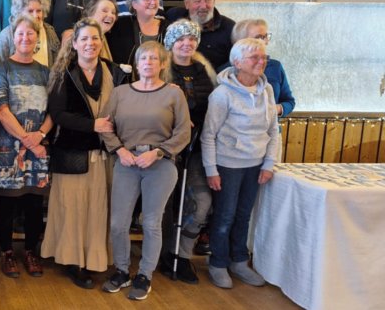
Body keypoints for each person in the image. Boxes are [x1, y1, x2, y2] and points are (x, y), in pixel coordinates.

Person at [101, 41, 192, 301]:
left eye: (154, 58)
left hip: (160, 164)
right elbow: (106, 127)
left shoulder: (174, 94)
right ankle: (122, 270)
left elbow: (183, 132)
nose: (148, 62)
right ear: (137, 64)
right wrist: (119, 150)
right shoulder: (120, 93)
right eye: (144, 58)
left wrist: (159, 152)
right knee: (118, 223)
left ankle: (144, 275)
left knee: (151, 222)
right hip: (127, 161)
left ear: (162, 64)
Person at [41, 19, 115, 289]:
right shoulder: (63, 74)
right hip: (72, 153)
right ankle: (74, 261)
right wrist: (92, 125)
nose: (90, 43)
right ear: (74, 43)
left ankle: (95, 258)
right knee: (72, 210)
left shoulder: (115, 72)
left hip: (105, 154)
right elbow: (59, 114)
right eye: (84, 39)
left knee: (98, 210)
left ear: (101, 42)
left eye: (95, 38)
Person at [202, 38, 280, 289]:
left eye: (264, 57)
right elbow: (208, 135)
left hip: (255, 164)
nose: (261, 61)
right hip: (228, 165)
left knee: (244, 216)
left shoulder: (267, 90)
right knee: (224, 216)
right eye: (254, 57)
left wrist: (269, 163)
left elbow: (274, 130)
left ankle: (239, 261)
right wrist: (211, 170)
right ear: (237, 62)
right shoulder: (222, 94)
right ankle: (218, 263)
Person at [0, 15, 53, 279]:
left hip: (38, 148)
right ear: (12, 38)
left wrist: (40, 134)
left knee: (33, 203)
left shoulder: (46, 72)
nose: (25, 38)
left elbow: (53, 111)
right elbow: (1, 110)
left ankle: (30, 251)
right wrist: (27, 139)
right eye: (20, 34)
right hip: (8, 147)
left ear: (37, 38)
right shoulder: (2, 69)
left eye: (30, 33)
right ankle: (7, 252)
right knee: (5, 202)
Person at [157, 19, 217, 284]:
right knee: (165, 206)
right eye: (180, 39)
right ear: (171, 43)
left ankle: (181, 254)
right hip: (168, 148)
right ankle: (162, 255)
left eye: (191, 39)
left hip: (198, 148)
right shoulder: (161, 71)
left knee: (201, 203)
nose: (186, 43)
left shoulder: (206, 71)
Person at [230, 19, 295, 117]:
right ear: (241, 41)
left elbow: (289, 101)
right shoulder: (227, 72)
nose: (264, 41)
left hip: (270, 124)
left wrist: (276, 109)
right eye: (258, 37)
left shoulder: (275, 67)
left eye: (265, 36)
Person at [165, 0, 236, 68]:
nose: (203, 6)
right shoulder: (173, 17)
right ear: (186, 3)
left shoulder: (230, 28)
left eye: (208, 0)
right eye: (197, 1)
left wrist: (215, 74)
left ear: (214, 0)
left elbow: (235, 60)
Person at [0, 0, 61, 67]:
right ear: (19, 12)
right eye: (30, 11)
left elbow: (57, 64)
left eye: (39, 11)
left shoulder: (50, 31)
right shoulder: (6, 35)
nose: (35, 15)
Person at [106, 0, 167, 67]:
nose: (153, 2)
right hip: (126, 74)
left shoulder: (168, 27)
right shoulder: (119, 25)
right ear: (134, 4)